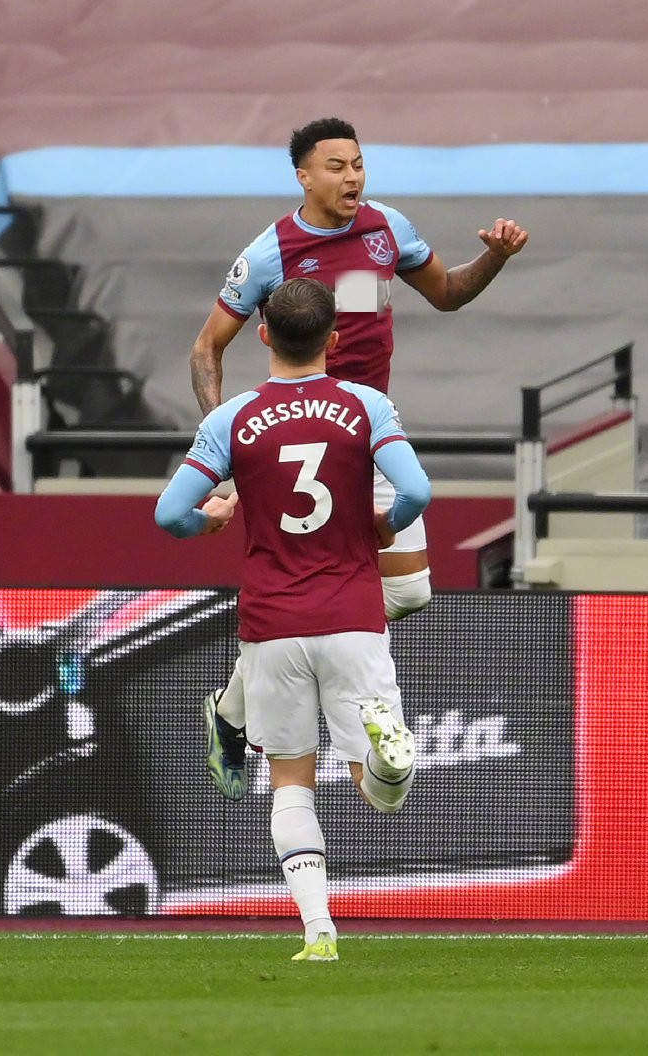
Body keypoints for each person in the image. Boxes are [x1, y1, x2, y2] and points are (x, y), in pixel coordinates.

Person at [189, 117, 528, 801]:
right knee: (339, 601)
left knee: (410, 592)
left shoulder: (387, 230)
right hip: (297, 440)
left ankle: (234, 698)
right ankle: (270, 689)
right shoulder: (269, 252)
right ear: (304, 177)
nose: (353, 178)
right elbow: (206, 351)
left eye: (359, 164)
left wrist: (495, 256)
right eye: (337, 166)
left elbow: (448, 293)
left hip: (369, 436)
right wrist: (225, 448)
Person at [157, 278, 433, 961]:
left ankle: (319, 930)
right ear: (335, 339)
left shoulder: (231, 420)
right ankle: (388, 762)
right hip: (353, 615)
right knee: (381, 797)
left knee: (289, 781)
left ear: (263, 335)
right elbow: (419, 490)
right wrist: (383, 523)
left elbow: (168, 514)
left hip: (272, 623)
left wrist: (211, 519)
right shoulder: (366, 404)